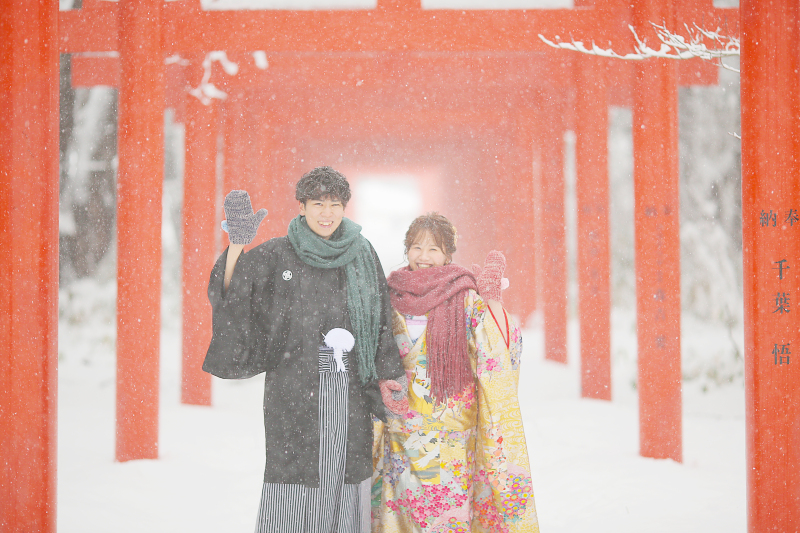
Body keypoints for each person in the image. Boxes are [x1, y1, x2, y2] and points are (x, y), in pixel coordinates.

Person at [203, 166, 405, 533]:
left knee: (346, 472)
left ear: (344, 207)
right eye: (318, 204)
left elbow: (380, 319)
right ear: (301, 207)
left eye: (334, 204)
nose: (327, 213)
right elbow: (231, 292)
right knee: (296, 474)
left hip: (351, 387)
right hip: (294, 385)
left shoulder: (361, 253)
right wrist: (237, 245)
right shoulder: (279, 253)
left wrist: (388, 374)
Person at [372, 213, 539, 533]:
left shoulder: (465, 296)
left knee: (446, 513)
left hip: (450, 427)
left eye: (433, 249)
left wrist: (492, 302)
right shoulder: (390, 296)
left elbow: (499, 350)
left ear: (448, 254)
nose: (423, 256)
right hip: (402, 424)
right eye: (416, 247)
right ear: (406, 249)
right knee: (403, 508)